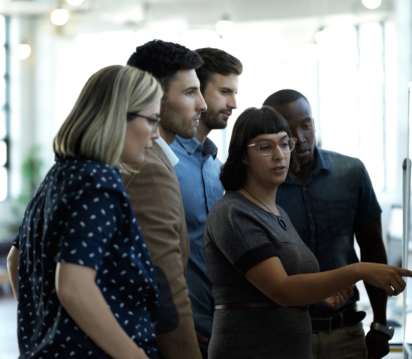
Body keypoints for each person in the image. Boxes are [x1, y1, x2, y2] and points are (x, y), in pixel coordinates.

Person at [203, 106, 412, 359]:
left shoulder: (276, 213)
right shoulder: (233, 212)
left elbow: (281, 290)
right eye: (265, 147)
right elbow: (282, 290)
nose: (280, 155)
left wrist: (322, 294)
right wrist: (360, 269)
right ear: (243, 156)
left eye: (285, 144)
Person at [6, 65, 163, 359]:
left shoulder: (59, 175)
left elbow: (16, 259)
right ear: (118, 117)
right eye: (152, 121)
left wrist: (45, 324)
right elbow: (74, 286)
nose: (155, 135)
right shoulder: (98, 181)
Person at [263, 89, 392, 359]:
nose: (300, 138)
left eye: (306, 125)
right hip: (284, 335)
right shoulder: (260, 187)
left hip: (346, 333)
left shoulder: (351, 172)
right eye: (288, 131)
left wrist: (380, 323)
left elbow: (372, 250)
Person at [123, 39, 207, 359]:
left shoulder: (151, 158)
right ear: (154, 98)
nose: (202, 104)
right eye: (189, 93)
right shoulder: (148, 167)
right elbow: (165, 283)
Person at [170, 47, 242, 358]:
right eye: (225, 92)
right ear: (196, 90)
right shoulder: (162, 162)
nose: (234, 104)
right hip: (177, 331)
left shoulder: (217, 167)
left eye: (235, 92)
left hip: (221, 330)